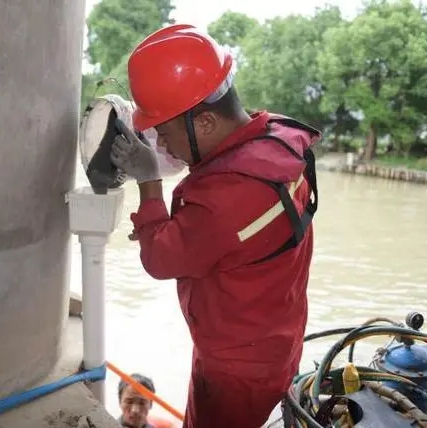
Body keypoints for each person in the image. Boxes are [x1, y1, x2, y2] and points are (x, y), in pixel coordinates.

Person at [109, 24, 321, 428]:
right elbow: (226, 236)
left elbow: (160, 259)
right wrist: (174, 226)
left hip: (236, 370)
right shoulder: (275, 139)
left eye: (164, 133)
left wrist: (149, 181)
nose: (162, 145)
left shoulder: (228, 196)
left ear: (204, 123)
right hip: (273, 339)